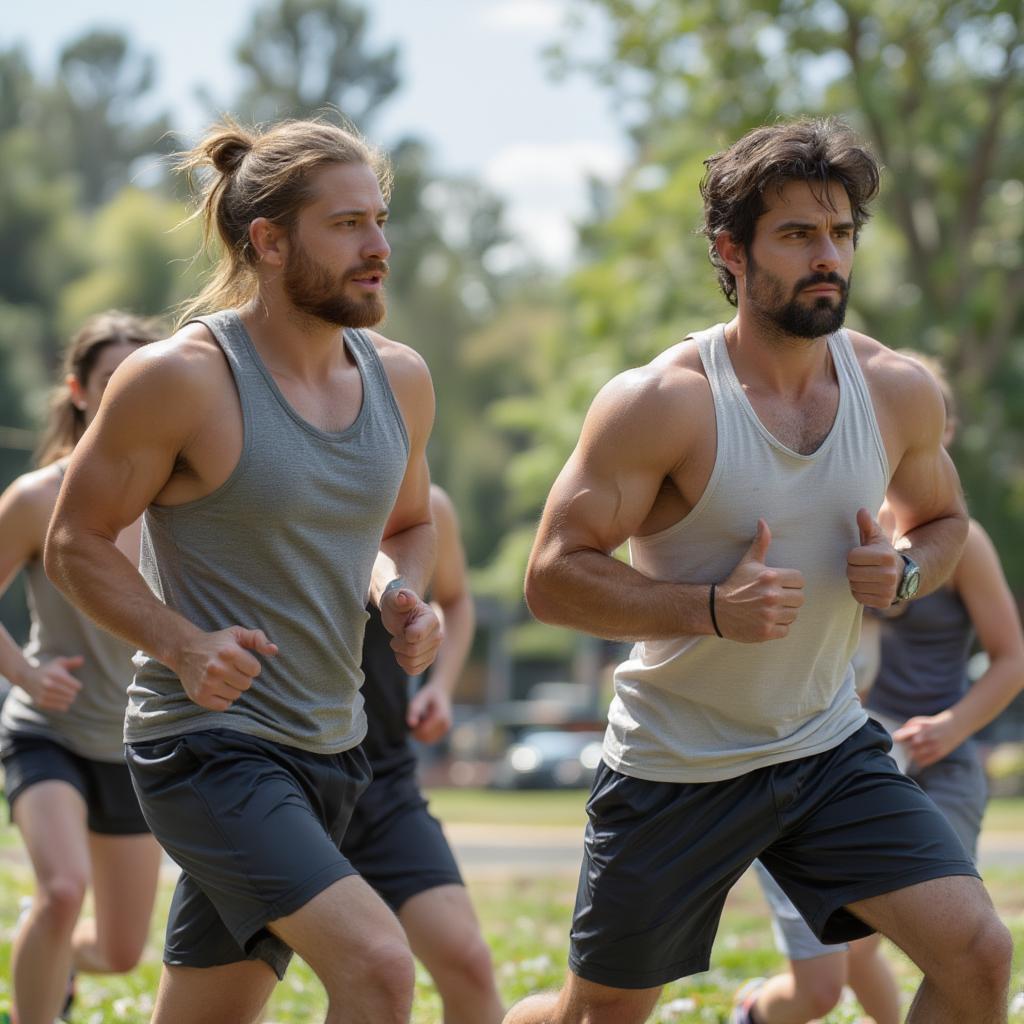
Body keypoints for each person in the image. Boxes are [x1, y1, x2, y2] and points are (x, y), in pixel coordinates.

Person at [503, 117, 1013, 1024]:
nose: (829, 257)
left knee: (977, 951)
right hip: (676, 762)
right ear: (730, 251)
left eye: (842, 233)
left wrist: (900, 573)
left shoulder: (894, 390)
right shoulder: (662, 403)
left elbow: (943, 522)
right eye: (797, 234)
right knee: (600, 1014)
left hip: (825, 746)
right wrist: (708, 607)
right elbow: (551, 577)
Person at [44, 117, 442, 1024]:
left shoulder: (401, 379)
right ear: (268, 241)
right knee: (379, 969)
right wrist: (182, 645)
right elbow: (76, 541)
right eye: (346, 225)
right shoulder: (178, 379)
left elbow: (411, 525)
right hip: (208, 748)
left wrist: (401, 593)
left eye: (379, 220)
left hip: (333, 750)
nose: (378, 246)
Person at [735, 353, 1024, 1024]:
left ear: (937, 433)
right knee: (823, 984)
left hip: (938, 765)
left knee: (941, 948)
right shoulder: (830, 516)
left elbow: (1012, 659)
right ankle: (756, 1010)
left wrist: (952, 726)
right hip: (828, 760)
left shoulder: (961, 542)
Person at [0, 312, 163, 1024]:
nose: (126, 394)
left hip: (134, 743)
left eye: (140, 379)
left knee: (124, 952)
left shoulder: (179, 503)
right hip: (48, 731)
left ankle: (41, 954)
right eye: (110, 380)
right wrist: (28, 678)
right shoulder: (38, 498)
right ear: (78, 391)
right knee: (62, 891)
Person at [342, 483, 505, 1024]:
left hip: (384, 779)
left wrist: (440, 686)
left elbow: (455, 602)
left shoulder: (430, 507)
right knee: (365, 981)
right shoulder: (289, 479)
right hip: (282, 775)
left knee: (468, 965)